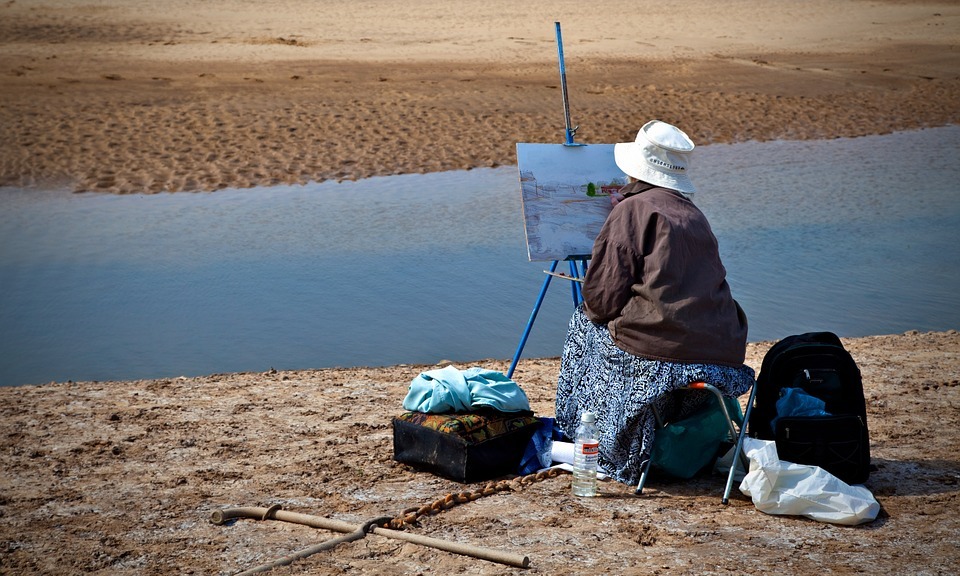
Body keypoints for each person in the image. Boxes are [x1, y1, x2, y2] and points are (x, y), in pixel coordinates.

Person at [555, 119, 756, 485]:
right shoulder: (692, 213)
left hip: (668, 358)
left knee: (584, 324)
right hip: (723, 355)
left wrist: (618, 220)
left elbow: (600, 302)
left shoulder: (630, 210)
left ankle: (595, 440)